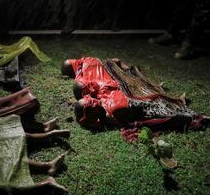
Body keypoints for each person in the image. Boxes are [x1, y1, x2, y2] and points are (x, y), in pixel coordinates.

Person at [61, 57, 207, 138]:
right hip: (146, 104)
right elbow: (150, 113)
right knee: (173, 113)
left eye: (89, 100)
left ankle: (188, 115)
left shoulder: (105, 102)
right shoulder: (113, 111)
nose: (91, 100)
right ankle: (193, 116)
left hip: (136, 97)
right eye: (90, 103)